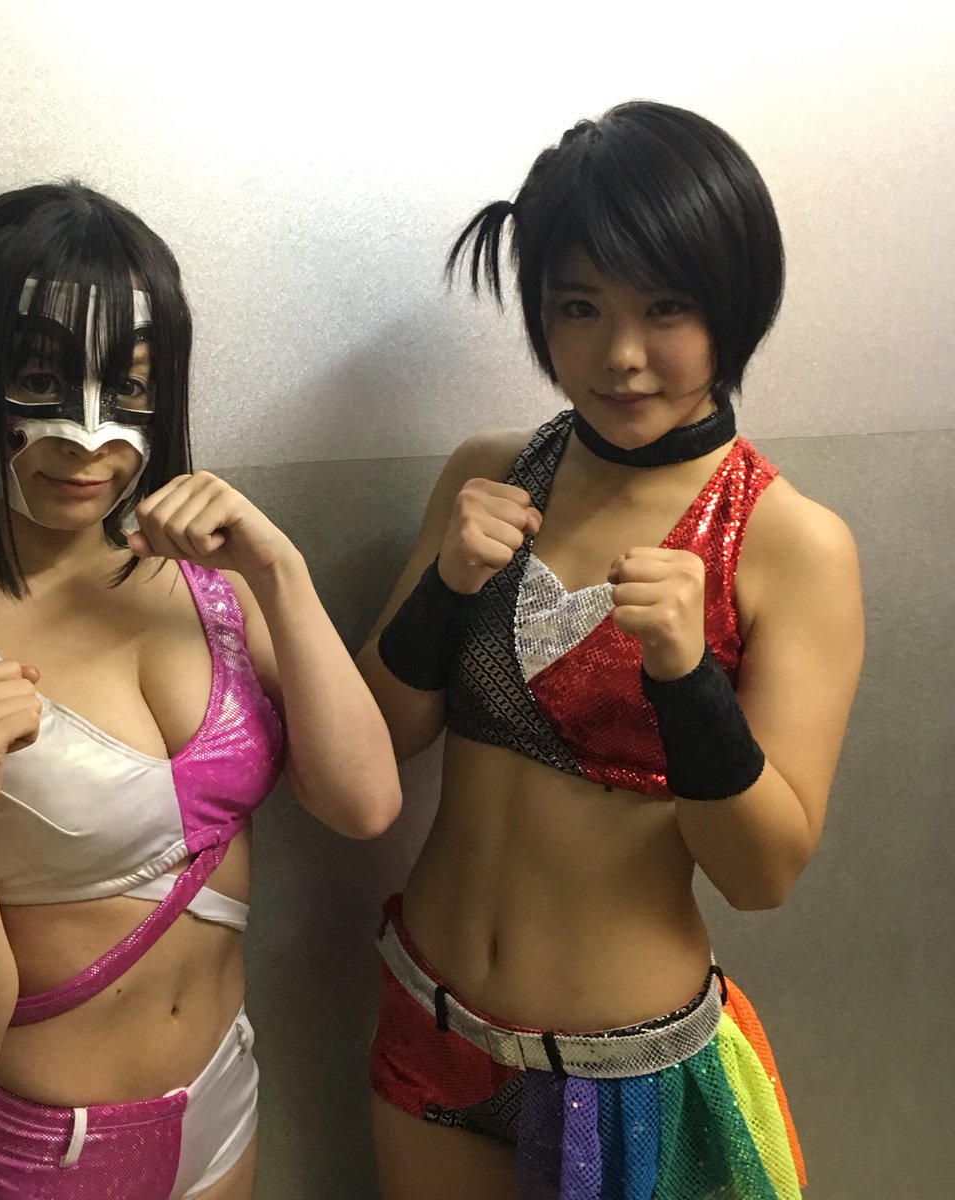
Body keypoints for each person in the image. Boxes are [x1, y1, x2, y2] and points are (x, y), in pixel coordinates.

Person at [0, 181, 401, 1200]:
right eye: (36, 379)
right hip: (37, 1152)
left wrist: (282, 571)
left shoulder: (217, 591)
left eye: (129, 385)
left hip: (221, 1101)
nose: (87, 438)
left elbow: (364, 804)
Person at [357, 101, 863, 1200]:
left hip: (619, 1073)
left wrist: (688, 681)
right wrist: (444, 589)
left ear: (734, 306)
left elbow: (762, 875)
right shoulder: (488, 474)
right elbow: (374, 746)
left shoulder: (792, 545)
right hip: (427, 1018)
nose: (622, 356)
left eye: (666, 308)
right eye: (578, 307)